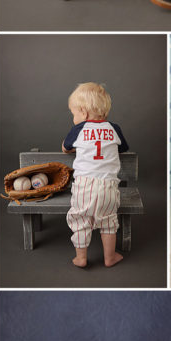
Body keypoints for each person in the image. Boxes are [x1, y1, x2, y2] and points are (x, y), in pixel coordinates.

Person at [63, 82, 129, 269]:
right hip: (108, 185)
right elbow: (123, 148)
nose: (74, 118)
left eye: (74, 113)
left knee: (81, 220)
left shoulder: (79, 129)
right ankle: (110, 257)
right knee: (108, 221)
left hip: (84, 185)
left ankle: (81, 258)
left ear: (83, 112)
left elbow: (66, 147)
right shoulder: (114, 128)